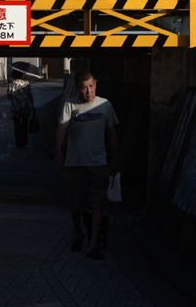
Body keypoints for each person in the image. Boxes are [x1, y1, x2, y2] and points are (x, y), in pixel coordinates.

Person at [55, 69, 118, 260]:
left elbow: (111, 133)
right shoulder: (70, 105)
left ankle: (92, 245)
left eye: (91, 87)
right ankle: (78, 233)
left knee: (98, 204)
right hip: (75, 163)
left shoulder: (105, 105)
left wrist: (114, 159)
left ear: (96, 85)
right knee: (75, 204)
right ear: (77, 89)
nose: (89, 92)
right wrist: (58, 152)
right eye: (84, 88)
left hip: (98, 163)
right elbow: (62, 129)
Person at [6, 69, 35, 149]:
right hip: (26, 106)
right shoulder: (26, 83)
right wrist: (33, 106)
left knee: (17, 125)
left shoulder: (11, 84)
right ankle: (24, 141)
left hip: (16, 108)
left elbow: (9, 96)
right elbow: (30, 95)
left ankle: (18, 143)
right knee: (24, 124)